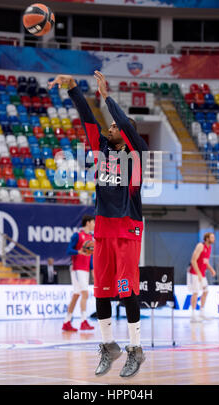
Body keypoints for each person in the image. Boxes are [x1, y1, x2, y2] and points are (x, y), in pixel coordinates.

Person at [48, 71, 148, 378]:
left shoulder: (136, 154)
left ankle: (136, 349)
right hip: (103, 231)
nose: (111, 128)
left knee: (127, 290)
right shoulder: (102, 151)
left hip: (128, 230)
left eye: (116, 126)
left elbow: (127, 126)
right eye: (112, 126)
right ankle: (108, 346)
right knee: (102, 292)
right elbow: (87, 120)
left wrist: (106, 96)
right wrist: (75, 89)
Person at [62, 214, 95, 331]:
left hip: (85, 269)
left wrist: (92, 271)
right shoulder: (77, 235)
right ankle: (84, 321)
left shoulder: (91, 239)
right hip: (77, 268)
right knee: (85, 294)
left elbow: (91, 257)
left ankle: (66, 322)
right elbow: (68, 250)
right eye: (93, 222)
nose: (94, 225)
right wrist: (79, 252)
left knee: (76, 295)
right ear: (87, 223)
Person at [187, 232, 216, 322]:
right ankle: (193, 315)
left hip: (202, 273)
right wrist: (198, 273)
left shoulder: (209, 247)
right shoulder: (200, 246)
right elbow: (193, 260)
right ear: (207, 238)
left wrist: (211, 269)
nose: (214, 239)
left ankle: (202, 313)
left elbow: (205, 261)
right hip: (194, 273)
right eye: (212, 237)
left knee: (205, 291)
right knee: (195, 293)